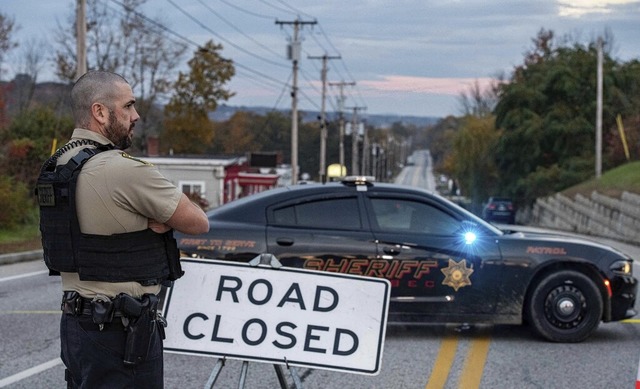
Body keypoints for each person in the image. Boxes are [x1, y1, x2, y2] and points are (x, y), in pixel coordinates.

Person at [37, 70, 209, 388]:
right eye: (128, 106)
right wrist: (158, 221)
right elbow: (198, 221)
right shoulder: (122, 169)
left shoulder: (59, 165)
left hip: (78, 328)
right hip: (122, 333)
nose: (136, 115)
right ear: (100, 111)